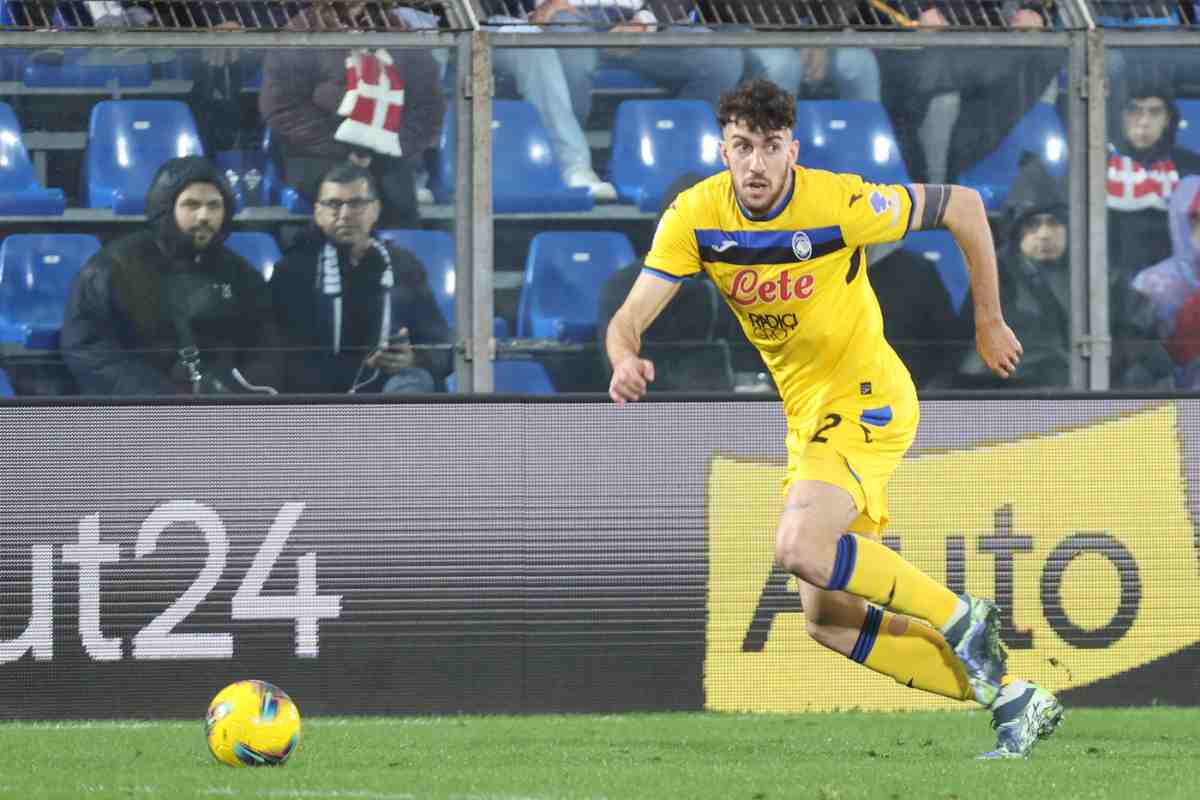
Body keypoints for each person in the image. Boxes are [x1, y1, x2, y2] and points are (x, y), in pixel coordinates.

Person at [605, 78, 1062, 758]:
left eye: (769, 147)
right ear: (721, 149)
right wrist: (623, 358)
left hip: (865, 397)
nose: (755, 164)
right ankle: (1012, 698)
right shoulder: (695, 216)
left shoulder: (839, 202)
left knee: (798, 547)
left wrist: (988, 320)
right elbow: (627, 319)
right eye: (741, 147)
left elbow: (964, 206)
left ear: (793, 148)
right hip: (808, 417)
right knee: (829, 620)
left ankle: (961, 617)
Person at [61, 156, 281, 395]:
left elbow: (266, 346)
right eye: (192, 205)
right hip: (139, 415)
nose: (204, 216)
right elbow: (88, 349)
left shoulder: (241, 274)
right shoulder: (113, 268)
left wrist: (233, 389)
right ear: (166, 207)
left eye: (214, 205)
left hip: (220, 413)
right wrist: (160, 397)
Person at [258, 1, 446, 226]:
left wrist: (388, 145)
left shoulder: (396, 28)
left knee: (399, 204)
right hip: (318, 154)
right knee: (345, 201)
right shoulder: (302, 29)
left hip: (387, 155)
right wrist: (346, 148)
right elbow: (281, 107)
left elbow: (429, 107)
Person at [269, 164, 451, 394]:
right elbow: (273, 351)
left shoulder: (404, 266)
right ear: (318, 212)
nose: (345, 215)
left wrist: (413, 357)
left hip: (387, 391)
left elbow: (441, 344)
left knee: (415, 379)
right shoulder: (292, 271)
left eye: (356, 204)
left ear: (375, 210)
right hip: (316, 396)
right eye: (333, 204)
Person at [477, 0, 618, 200]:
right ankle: (417, 169)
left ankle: (573, 165)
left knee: (549, 48)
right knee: (535, 47)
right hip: (438, 28)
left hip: (505, 23)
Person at [958, 155, 1070, 388]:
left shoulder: (1100, 277)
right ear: (1017, 231)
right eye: (1033, 224)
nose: (1044, 234)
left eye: (1054, 223)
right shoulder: (997, 278)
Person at [1130, 175, 1200, 388]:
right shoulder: (1152, 284)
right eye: (1198, 220)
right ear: (1181, 223)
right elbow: (1134, 359)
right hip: (1169, 406)